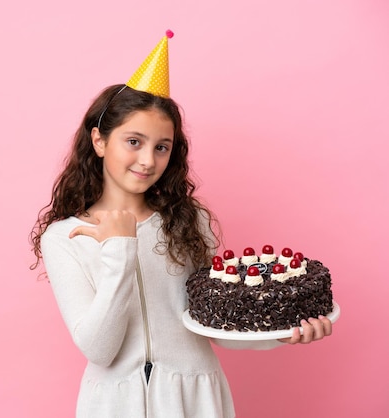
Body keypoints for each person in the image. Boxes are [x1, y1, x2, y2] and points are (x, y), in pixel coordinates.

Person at [29, 32, 332, 418]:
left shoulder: (188, 220)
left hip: (196, 399)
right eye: (133, 141)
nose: (147, 161)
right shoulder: (64, 238)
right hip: (112, 404)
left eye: (161, 146)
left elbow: (214, 323)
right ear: (100, 141)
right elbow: (99, 349)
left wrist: (282, 332)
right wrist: (120, 249)